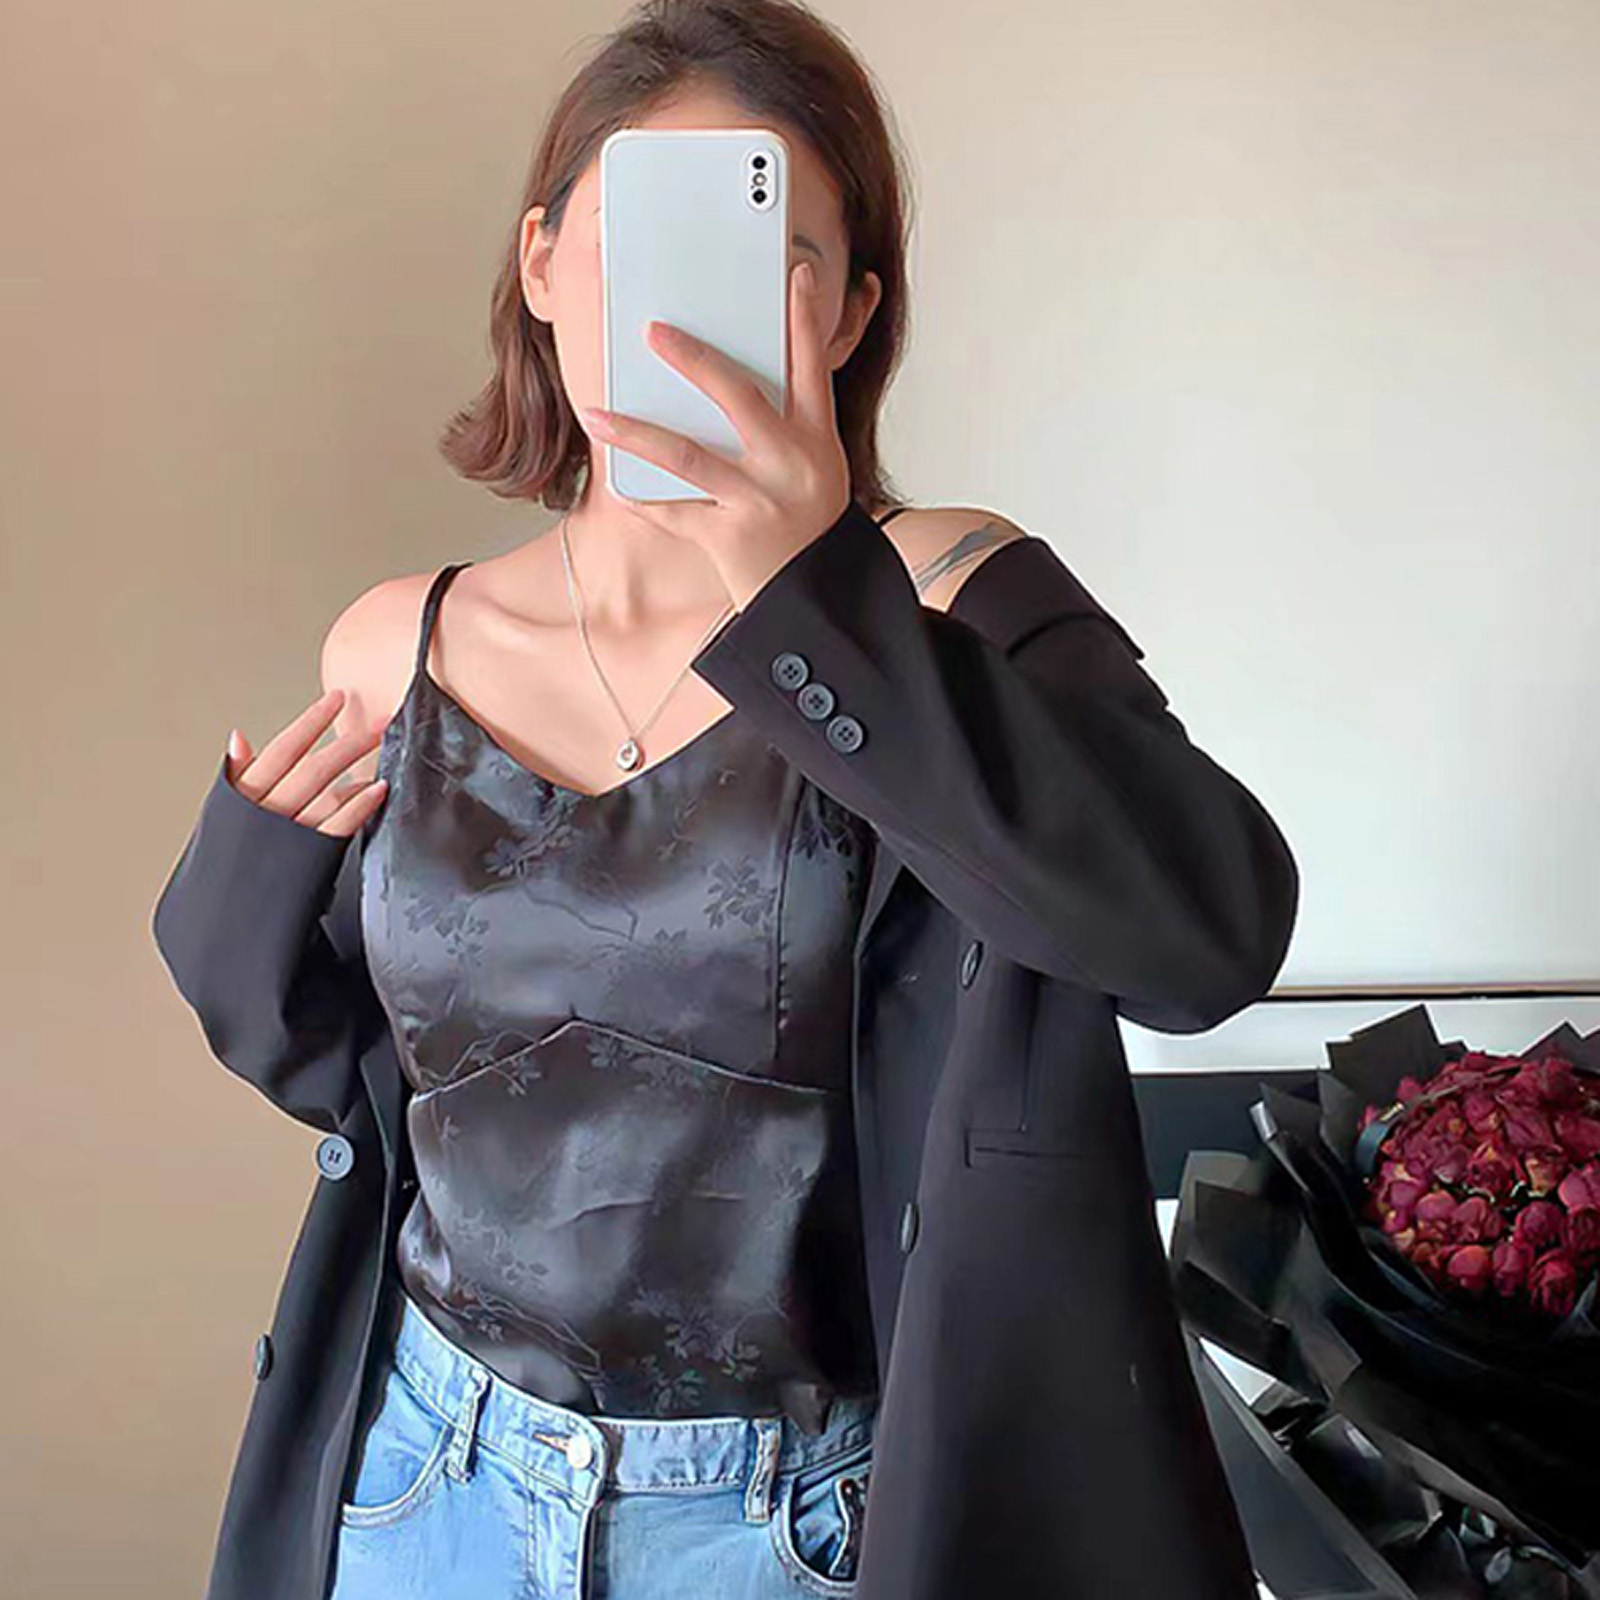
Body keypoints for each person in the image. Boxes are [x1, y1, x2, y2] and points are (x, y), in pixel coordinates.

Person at [153, 2, 1299, 1596]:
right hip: (428, 1484)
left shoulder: (949, 601)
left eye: (769, 257)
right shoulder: (399, 642)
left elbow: (1201, 940)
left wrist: (813, 601)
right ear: (541, 264)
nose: (685, 315)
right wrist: (239, 896)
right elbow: (382, 1085)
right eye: (638, 244)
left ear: (848, 315)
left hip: (793, 1527)